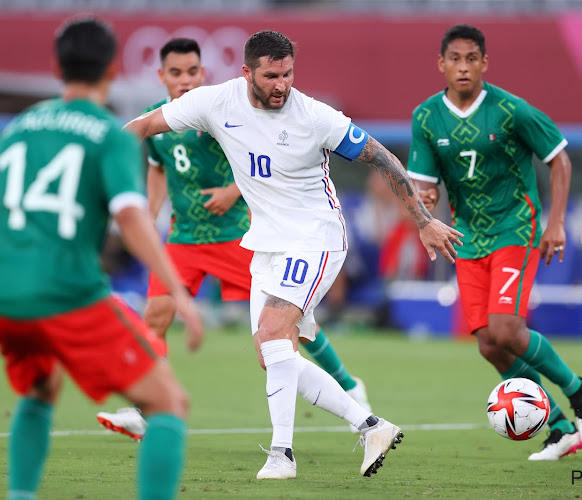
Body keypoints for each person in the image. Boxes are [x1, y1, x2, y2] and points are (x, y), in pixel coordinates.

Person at [124, 29, 463, 480]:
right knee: (273, 354)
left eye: (287, 74)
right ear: (247, 73)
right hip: (265, 243)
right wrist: (98, 157)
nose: (281, 84)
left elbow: (382, 157)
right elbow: (143, 127)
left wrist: (423, 220)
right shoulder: (215, 103)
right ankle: (370, 425)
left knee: (272, 334)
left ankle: (282, 455)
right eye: (271, 75)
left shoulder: (314, 116)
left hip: (315, 238)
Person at [96, 37, 371, 441]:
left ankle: (348, 384)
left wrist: (231, 192)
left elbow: (264, 164)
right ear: (161, 76)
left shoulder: (216, 111)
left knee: (286, 322)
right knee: (155, 314)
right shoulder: (159, 121)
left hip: (236, 236)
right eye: (176, 73)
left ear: (202, 74)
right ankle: (145, 408)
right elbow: (158, 171)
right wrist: (149, 218)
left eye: (192, 71)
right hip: (185, 236)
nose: (185, 80)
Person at [0, 18, 203, 500]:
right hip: (65, 295)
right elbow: (131, 217)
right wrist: (178, 291)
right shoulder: (108, 134)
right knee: (168, 403)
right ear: (114, 68)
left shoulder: (16, 130)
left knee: (41, 388)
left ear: (57, 66)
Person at [407, 24, 582, 461]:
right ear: (441, 64)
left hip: (516, 226)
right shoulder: (425, 117)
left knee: (506, 329)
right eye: (454, 59)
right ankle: (557, 426)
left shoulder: (510, 109)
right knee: (488, 344)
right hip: (467, 236)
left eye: (471, 58)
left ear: (484, 63)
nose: (463, 67)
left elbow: (559, 159)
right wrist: (427, 199)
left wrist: (555, 224)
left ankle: (578, 389)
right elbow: (422, 185)